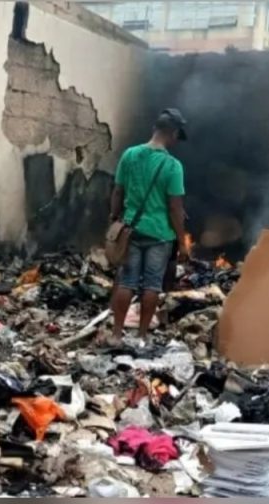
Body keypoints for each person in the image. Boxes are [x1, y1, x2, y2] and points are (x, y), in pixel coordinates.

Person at [106, 109, 188, 344]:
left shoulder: (130, 155)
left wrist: (114, 218)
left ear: (155, 129)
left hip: (131, 230)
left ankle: (117, 334)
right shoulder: (173, 166)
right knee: (152, 286)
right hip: (160, 235)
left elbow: (118, 191)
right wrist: (182, 241)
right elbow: (175, 208)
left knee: (126, 282)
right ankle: (142, 336)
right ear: (173, 133)